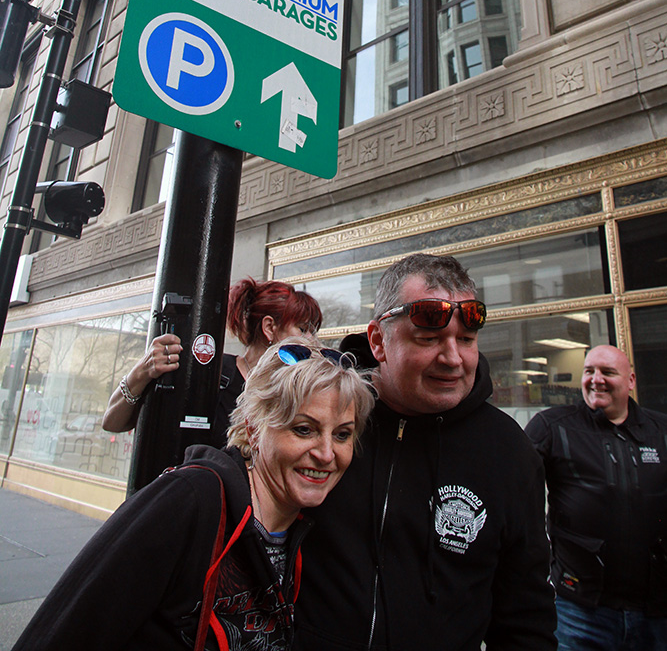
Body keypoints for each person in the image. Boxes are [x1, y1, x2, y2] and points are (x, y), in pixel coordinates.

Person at [11, 340, 374, 651]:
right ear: (254, 429)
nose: (326, 453)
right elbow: (62, 631)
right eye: (304, 429)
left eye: (342, 434)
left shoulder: (307, 530)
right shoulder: (191, 500)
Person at [293, 252, 557, 651]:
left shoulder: (508, 451)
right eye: (429, 339)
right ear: (378, 341)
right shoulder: (323, 419)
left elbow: (526, 614)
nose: (453, 358)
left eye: (466, 340)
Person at [525, 344, 667, 650]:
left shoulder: (661, 432)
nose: (596, 379)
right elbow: (511, 490)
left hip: (656, 611)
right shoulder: (553, 427)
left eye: (607, 372)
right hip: (579, 610)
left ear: (630, 380)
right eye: (589, 371)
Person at [103, 277, 323, 446]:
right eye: (303, 329)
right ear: (269, 328)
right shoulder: (210, 371)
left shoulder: (297, 390)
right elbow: (112, 422)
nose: (313, 341)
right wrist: (141, 372)